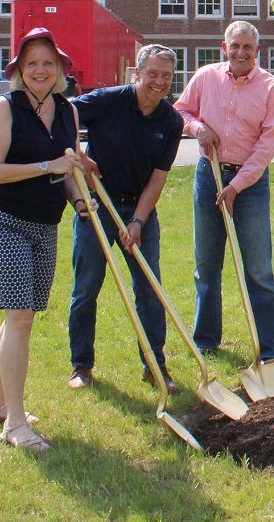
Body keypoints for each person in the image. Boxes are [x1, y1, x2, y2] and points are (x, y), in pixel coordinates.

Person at [0, 27, 85, 452]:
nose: (40, 70)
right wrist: (46, 164)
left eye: (48, 63)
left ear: (59, 70)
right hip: (2, 218)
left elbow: (68, 168)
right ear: (20, 70)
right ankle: (15, 423)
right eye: (32, 63)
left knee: (21, 317)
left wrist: (79, 202)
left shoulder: (67, 110)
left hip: (45, 223)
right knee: (19, 315)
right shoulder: (6, 107)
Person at [66, 44, 184, 392]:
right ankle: (81, 365)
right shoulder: (108, 100)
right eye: (153, 74)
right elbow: (63, 115)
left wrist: (138, 222)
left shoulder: (171, 121)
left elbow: (158, 178)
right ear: (138, 74)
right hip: (98, 208)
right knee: (87, 287)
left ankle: (154, 365)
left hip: (138, 208)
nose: (159, 82)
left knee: (149, 289)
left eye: (166, 76)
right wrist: (78, 154)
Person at [174, 21, 274, 358]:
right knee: (206, 266)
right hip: (209, 176)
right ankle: (206, 342)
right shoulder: (206, 77)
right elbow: (180, 109)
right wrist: (197, 129)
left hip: (249, 185)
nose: (240, 52)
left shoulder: (271, 88)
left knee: (258, 269)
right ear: (225, 47)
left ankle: (269, 350)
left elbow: (266, 147)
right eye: (234, 46)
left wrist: (236, 187)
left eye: (247, 48)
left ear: (257, 52)